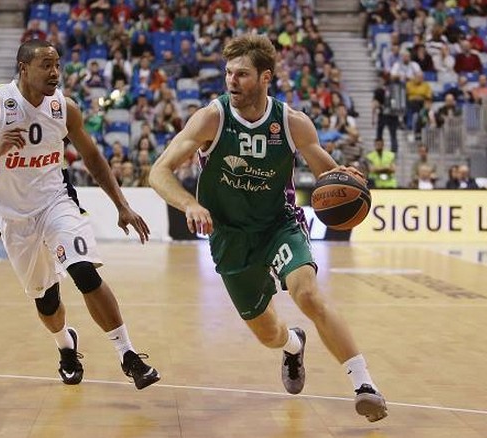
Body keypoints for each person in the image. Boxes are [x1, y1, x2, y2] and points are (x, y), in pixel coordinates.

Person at [149, 34, 387, 422]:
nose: (231, 81)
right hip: (230, 236)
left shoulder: (292, 123)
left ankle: (365, 386)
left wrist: (348, 181)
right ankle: (293, 345)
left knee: (307, 295)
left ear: (265, 77)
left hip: (279, 224)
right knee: (268, 334)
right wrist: (189, 203)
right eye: (228, 73)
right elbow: (158, 171)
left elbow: (329, 175)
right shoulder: (212, 118)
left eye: (241, 74)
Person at [0, 40, 160, 390]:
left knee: (84, 270)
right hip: (15, 217)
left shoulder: (65, 108)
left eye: (57, 65)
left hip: (57, 202)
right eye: (46, 65)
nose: (55, 72)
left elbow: (93, 158)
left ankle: (129, 355)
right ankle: (65, 345)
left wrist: (121, 205)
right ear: (23, 68)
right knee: (47, 302)